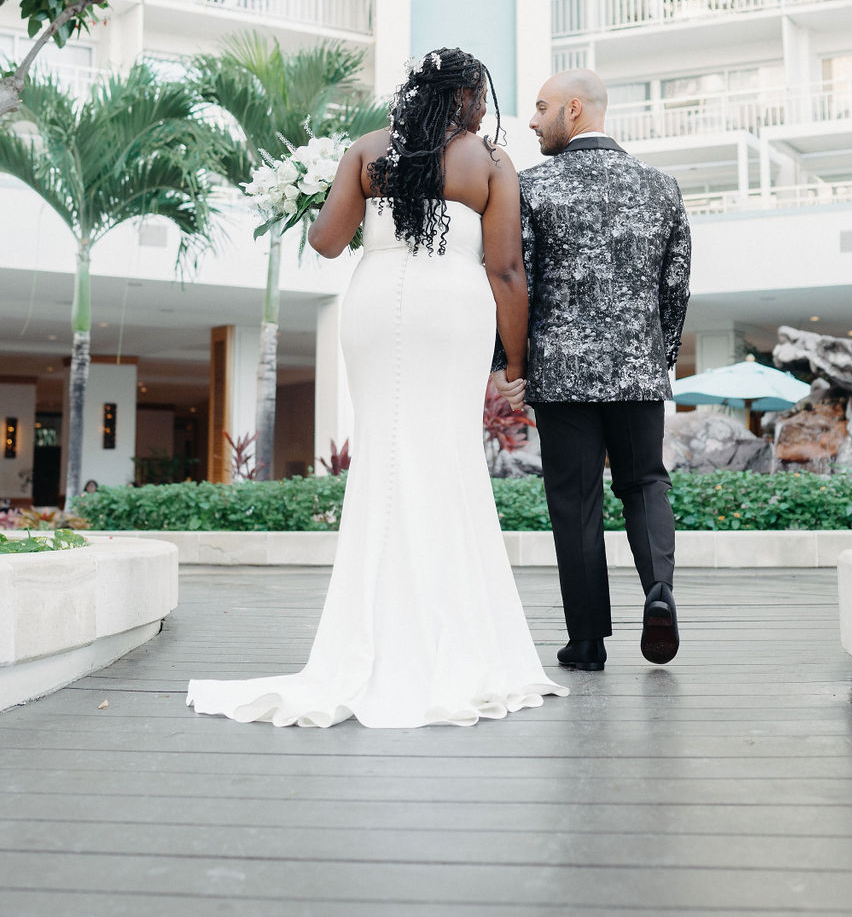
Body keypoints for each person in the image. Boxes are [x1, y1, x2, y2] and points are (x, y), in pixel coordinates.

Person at [187, 48, 567, 729]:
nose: (484, 110)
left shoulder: (367, 150)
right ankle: (452, 627)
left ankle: (373, 624)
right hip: (452, 308)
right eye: (480, 99)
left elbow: (329, 243)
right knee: (446, 453)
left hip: (375, 305)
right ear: (467, 99)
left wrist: (338, 195)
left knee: (385, 453)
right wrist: (518, 363)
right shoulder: (492, 162)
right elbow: (508, 271)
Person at [493, 70, 691, 673]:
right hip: (637, 370)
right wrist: (655, 359)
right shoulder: (662, 186)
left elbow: (512, 280)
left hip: (562, 375)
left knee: (575, 502)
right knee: (646, 484)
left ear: (574, 110)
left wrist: (510, 363)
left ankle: (587, 642)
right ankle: (659, 591)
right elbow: (675, 286)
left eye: (542, 107)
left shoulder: (532, 187)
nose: (532, 120)